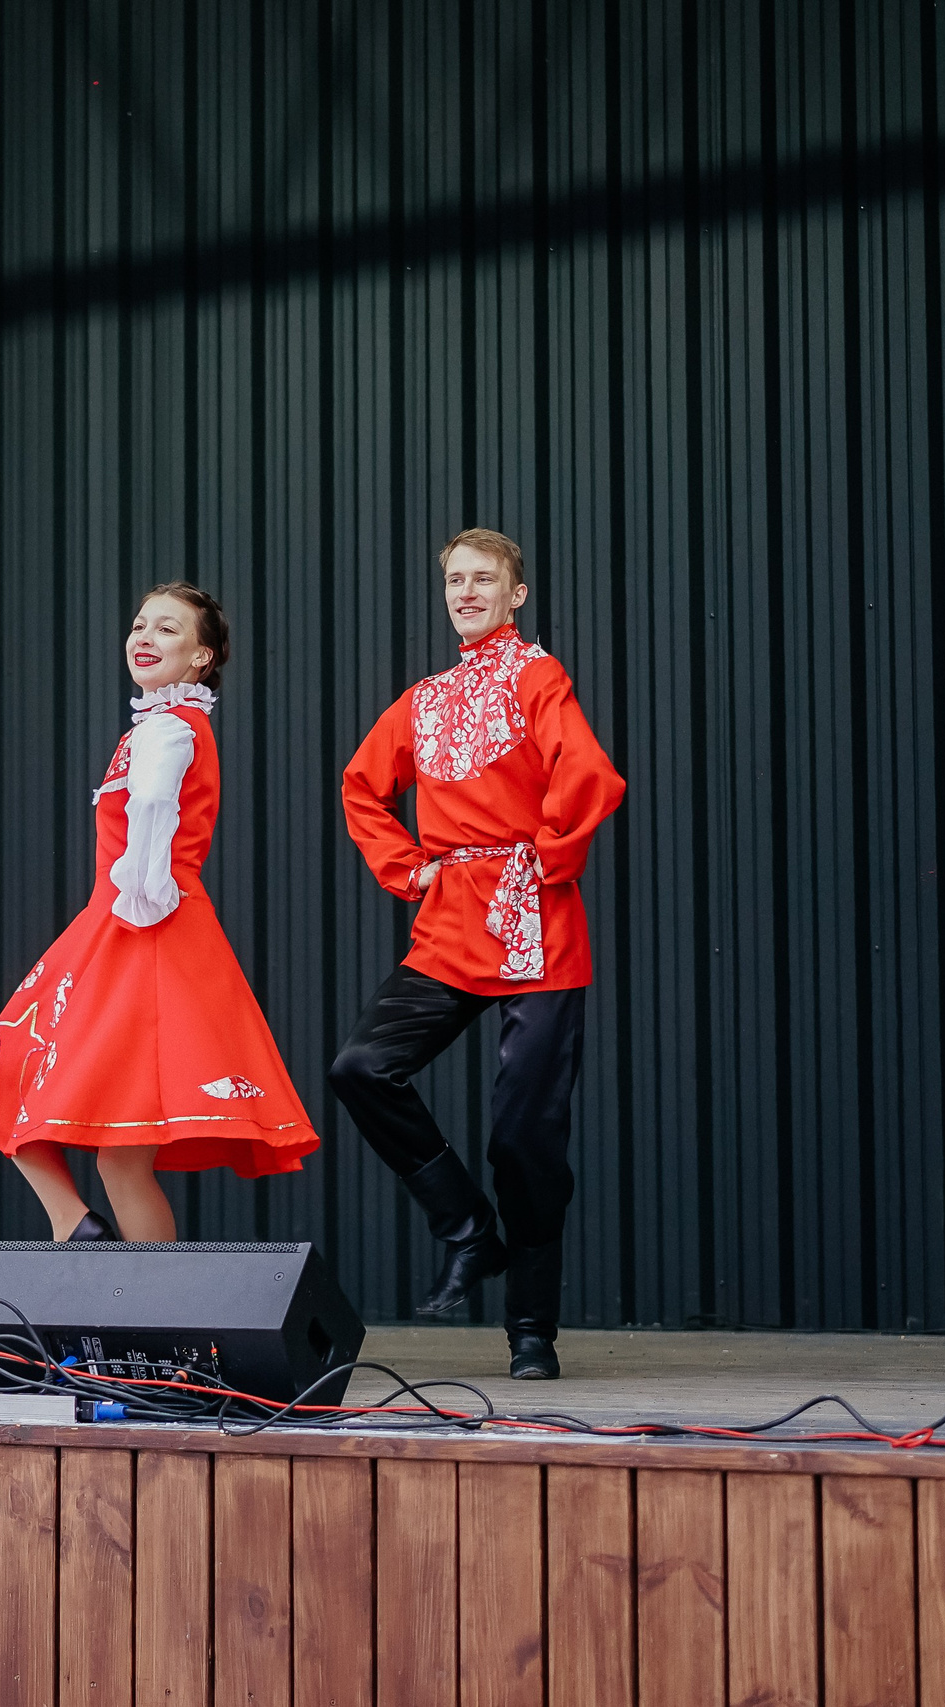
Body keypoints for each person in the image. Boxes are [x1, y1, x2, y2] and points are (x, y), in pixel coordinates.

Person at [0, 583, 318, 1239]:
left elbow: (153, 810)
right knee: (49, 1109)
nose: (144, 636)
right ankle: (80, 1231)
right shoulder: (157, 726)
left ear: (202, 657)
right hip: (121, 926)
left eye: (167, 629)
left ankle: (120, 1277)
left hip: (141, 931)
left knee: (85, 1129)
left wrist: (139, 897)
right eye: (140, 624)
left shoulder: (168, 728)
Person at [329, 528, 625, 1380]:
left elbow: (587, 772)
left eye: (483, 578)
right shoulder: (423, 700)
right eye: (455, 579)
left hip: (536, 920)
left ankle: (532, 1331)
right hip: (455, 917)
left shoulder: (538, 675)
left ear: (515, 593)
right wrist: (409, 870)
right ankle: (466, 1228)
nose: (466, 591)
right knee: (362, 1065)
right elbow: (361, 785)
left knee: (527, 1139)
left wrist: (545, 856)